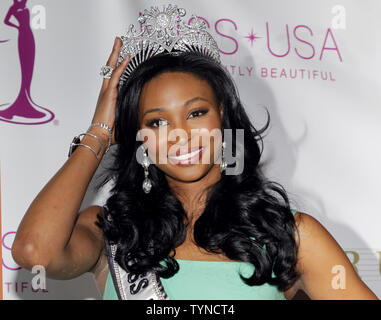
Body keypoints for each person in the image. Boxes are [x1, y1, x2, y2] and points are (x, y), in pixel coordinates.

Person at [11, 5, 378, 300]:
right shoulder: (113, 231)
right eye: (157, 122)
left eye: (196, 113)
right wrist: (99, 132)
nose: (180, 136)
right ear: (140, 138)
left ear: (224, 115)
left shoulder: (289, 235)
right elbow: (34, 251)